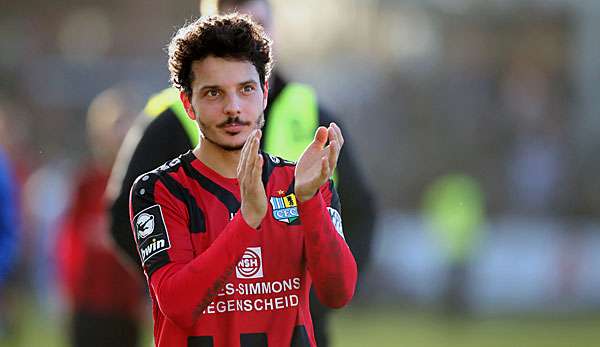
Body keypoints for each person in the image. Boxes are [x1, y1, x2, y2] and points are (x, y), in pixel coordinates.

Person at [107, 1, 375, 345]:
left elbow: (339, 292)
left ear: (264, 94)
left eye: (246, 89)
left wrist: (309, 203)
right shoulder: (158, 189)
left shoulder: (305, 184)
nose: (233, 107)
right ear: (188, 103)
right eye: (214, 93)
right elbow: (177, 303)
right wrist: (247, 221)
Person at [55, 86, 143, 347]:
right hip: (90, 305)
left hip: (126, 307)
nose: (120, 133)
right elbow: (70, 244)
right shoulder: (86, 183)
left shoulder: (140, 186)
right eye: (114, 125)